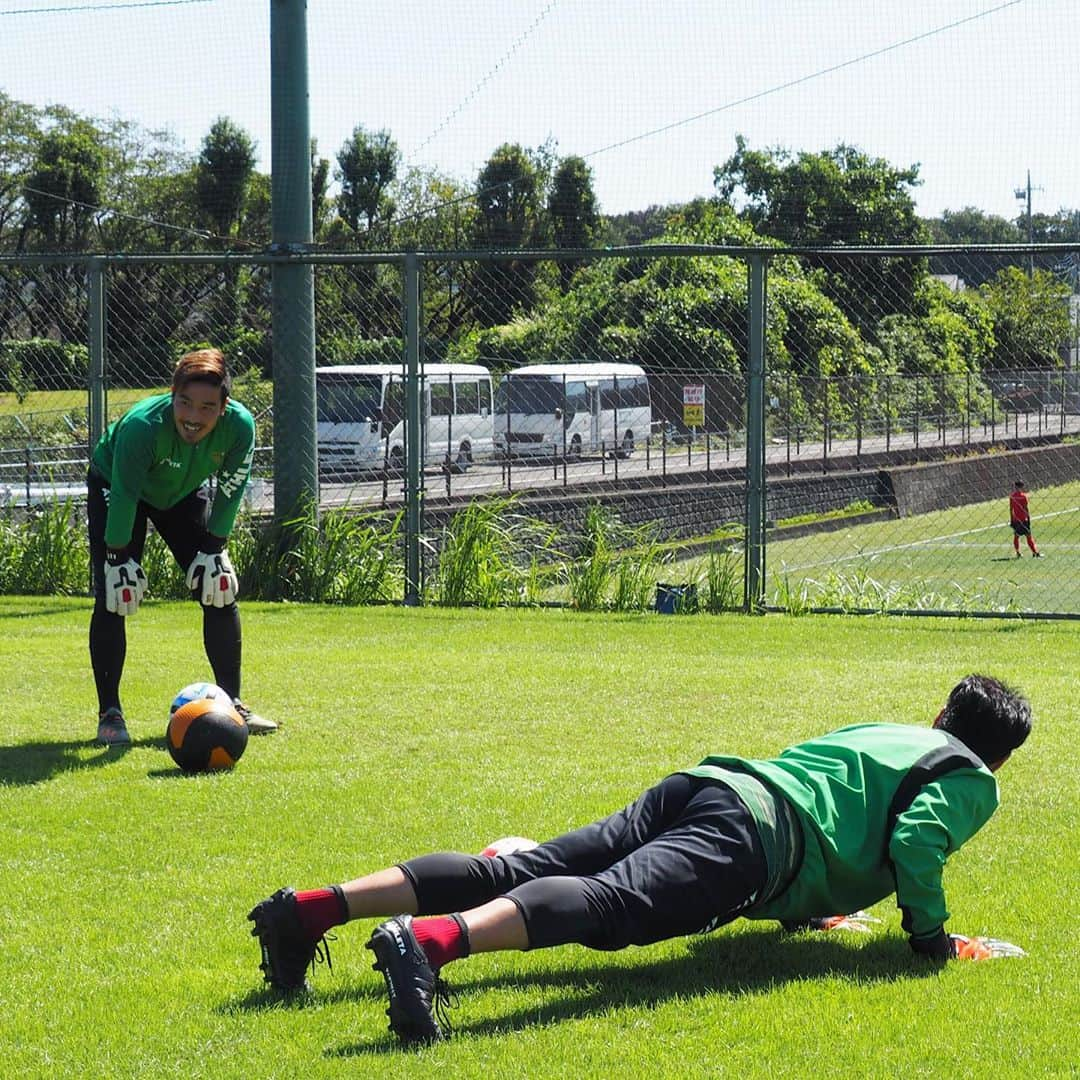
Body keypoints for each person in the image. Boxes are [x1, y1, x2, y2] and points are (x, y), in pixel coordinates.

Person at [247, 673, 1031, 1047]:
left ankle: (310, 908)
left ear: (940, 712)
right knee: (613, 904)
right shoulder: (972, 780)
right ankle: (428, 944)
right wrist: (928, 936)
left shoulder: (892, 733)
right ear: (998, 757)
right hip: (753, 837)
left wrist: (815, 902)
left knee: (519, 866)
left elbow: (841, 805)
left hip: (712, 785)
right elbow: (914, 842)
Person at [88, 347, 276, 745]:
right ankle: (110, 713)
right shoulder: (143, 426)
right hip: (117, 487)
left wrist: (214, 547)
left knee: (218, 584)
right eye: (185, 403)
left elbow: (231, 488)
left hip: (180, 493)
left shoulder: (240, 427)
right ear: (172, 395)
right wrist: (116, 556)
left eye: (208, 407)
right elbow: (124, 493)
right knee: (114, 593)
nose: (193, 417)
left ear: (225, 406)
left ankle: (232, 704)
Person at [1009, 480, 1042, 558]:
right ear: (1021, 487)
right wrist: (1028, 518)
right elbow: (1026, 508)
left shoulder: (1012, 496)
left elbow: (1011, 509)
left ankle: (1018, 553)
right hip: (1023, 519)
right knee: (1028, 536)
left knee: (1016, 536)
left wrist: (1011, 519)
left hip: (1016, 520)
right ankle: (1034, 552)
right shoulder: (1023, 496)